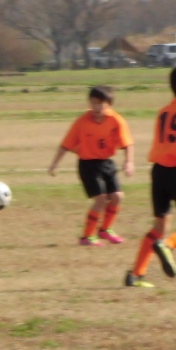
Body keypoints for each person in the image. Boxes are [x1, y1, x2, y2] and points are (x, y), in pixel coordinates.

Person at [126, 66, 176, 288]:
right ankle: (168, 245)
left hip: (159, 170)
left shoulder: (164, 111)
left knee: (159, 225)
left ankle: (136, 274)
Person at [48, 86, 135, 246]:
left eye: (100, 103)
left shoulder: (116, 120)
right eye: (93, 102)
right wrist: (54, 164)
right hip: (88, 165)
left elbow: (127, 143)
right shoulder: (82, 122)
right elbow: (66, 144)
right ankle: (87, 237)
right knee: (100, 199)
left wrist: (128, 162)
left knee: (117, 197)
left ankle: (105, 230)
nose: (96, 107)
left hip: (107, 163)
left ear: (109, 104)